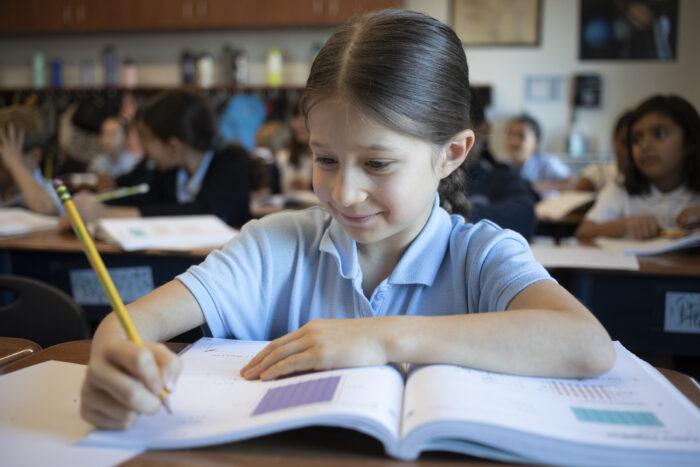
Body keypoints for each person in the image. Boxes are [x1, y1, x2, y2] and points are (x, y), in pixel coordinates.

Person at [80, 10, 614, 430]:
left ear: (451, 153)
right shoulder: (274, 245)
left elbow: (584, 344)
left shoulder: (481, 254)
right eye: (325, 159)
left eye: (377, 163)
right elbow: (130, 324)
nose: (344, 192)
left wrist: (380, 338)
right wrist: (115, 362)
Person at [69, 89, 252, 228]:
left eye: (146, 139)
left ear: (173, 146)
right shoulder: (169, 171)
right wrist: (92, 205)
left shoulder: (232, 164)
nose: (143, 148)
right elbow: (141, 197)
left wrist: (107, 214)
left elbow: (204, 213)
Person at [576, 95, 700, 240]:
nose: (645, 145)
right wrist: (625, 225)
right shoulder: (621, 189)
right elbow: (583, 232)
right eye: (637, 139)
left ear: (689, 142)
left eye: (659, 134)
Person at [461, 88, 538, 239]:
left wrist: (453, 216)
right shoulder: (428, 176)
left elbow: (525, 217)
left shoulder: (501, 176)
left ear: (483, 130)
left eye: (459, 128)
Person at [0, 105, 61, 215]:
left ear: (34, 157)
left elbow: (46, 209)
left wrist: (14, 163)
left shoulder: (50, 192)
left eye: (3, 158)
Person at [505, 114, 572, 192]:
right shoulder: (504, 167)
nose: (513, 141)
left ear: (536, 143)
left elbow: (571, 184)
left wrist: (535, 187)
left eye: (521, 136)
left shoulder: (548, 163)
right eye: (510, 134)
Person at [574, 111, 633, 192]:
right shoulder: (599, 174)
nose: (629, 151)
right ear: (614, 140)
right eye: (624, 143)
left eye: (634, 142)